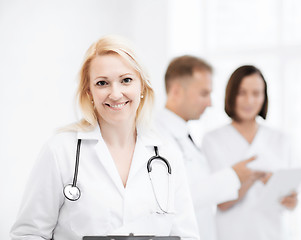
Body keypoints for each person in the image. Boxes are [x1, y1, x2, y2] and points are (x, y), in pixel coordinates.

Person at [10, 36, 199, 240]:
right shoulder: (61, 151)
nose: (116, 94)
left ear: (142, 87)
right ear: (89, 92)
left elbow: (186, 235)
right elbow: (28, 234)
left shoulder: (167, 154)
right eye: (102, 83)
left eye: (126, 80)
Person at [156, 56, 265, 240]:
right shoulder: (158, 136)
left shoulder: (183, 134)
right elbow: (174, 198)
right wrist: (233, 176)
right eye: (204, 94)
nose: (210, 103)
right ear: (176, 91)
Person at [202, 65, 298, 240]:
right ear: (231, 95)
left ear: (264, 97)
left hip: (274, 232)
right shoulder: (212, 140)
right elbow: (221, 202)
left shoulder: (281, 139)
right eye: (242, 93)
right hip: (231, 233)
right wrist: (250, 177)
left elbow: (291, 198)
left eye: (256, 93)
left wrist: (291, 201)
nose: (249, 101)